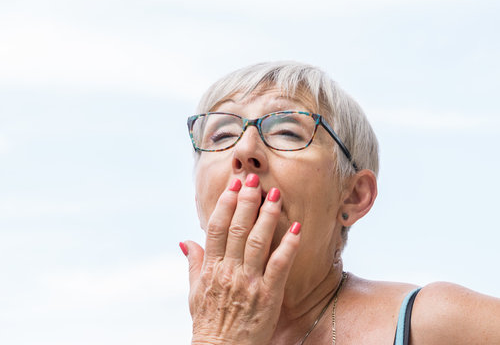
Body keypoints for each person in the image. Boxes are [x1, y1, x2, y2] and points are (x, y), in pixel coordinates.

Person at [178, 61, 500, 344]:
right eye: (221, 136)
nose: (245, 150)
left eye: (287, 132)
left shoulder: (433, 324)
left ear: (354, 196)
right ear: (198, 200)